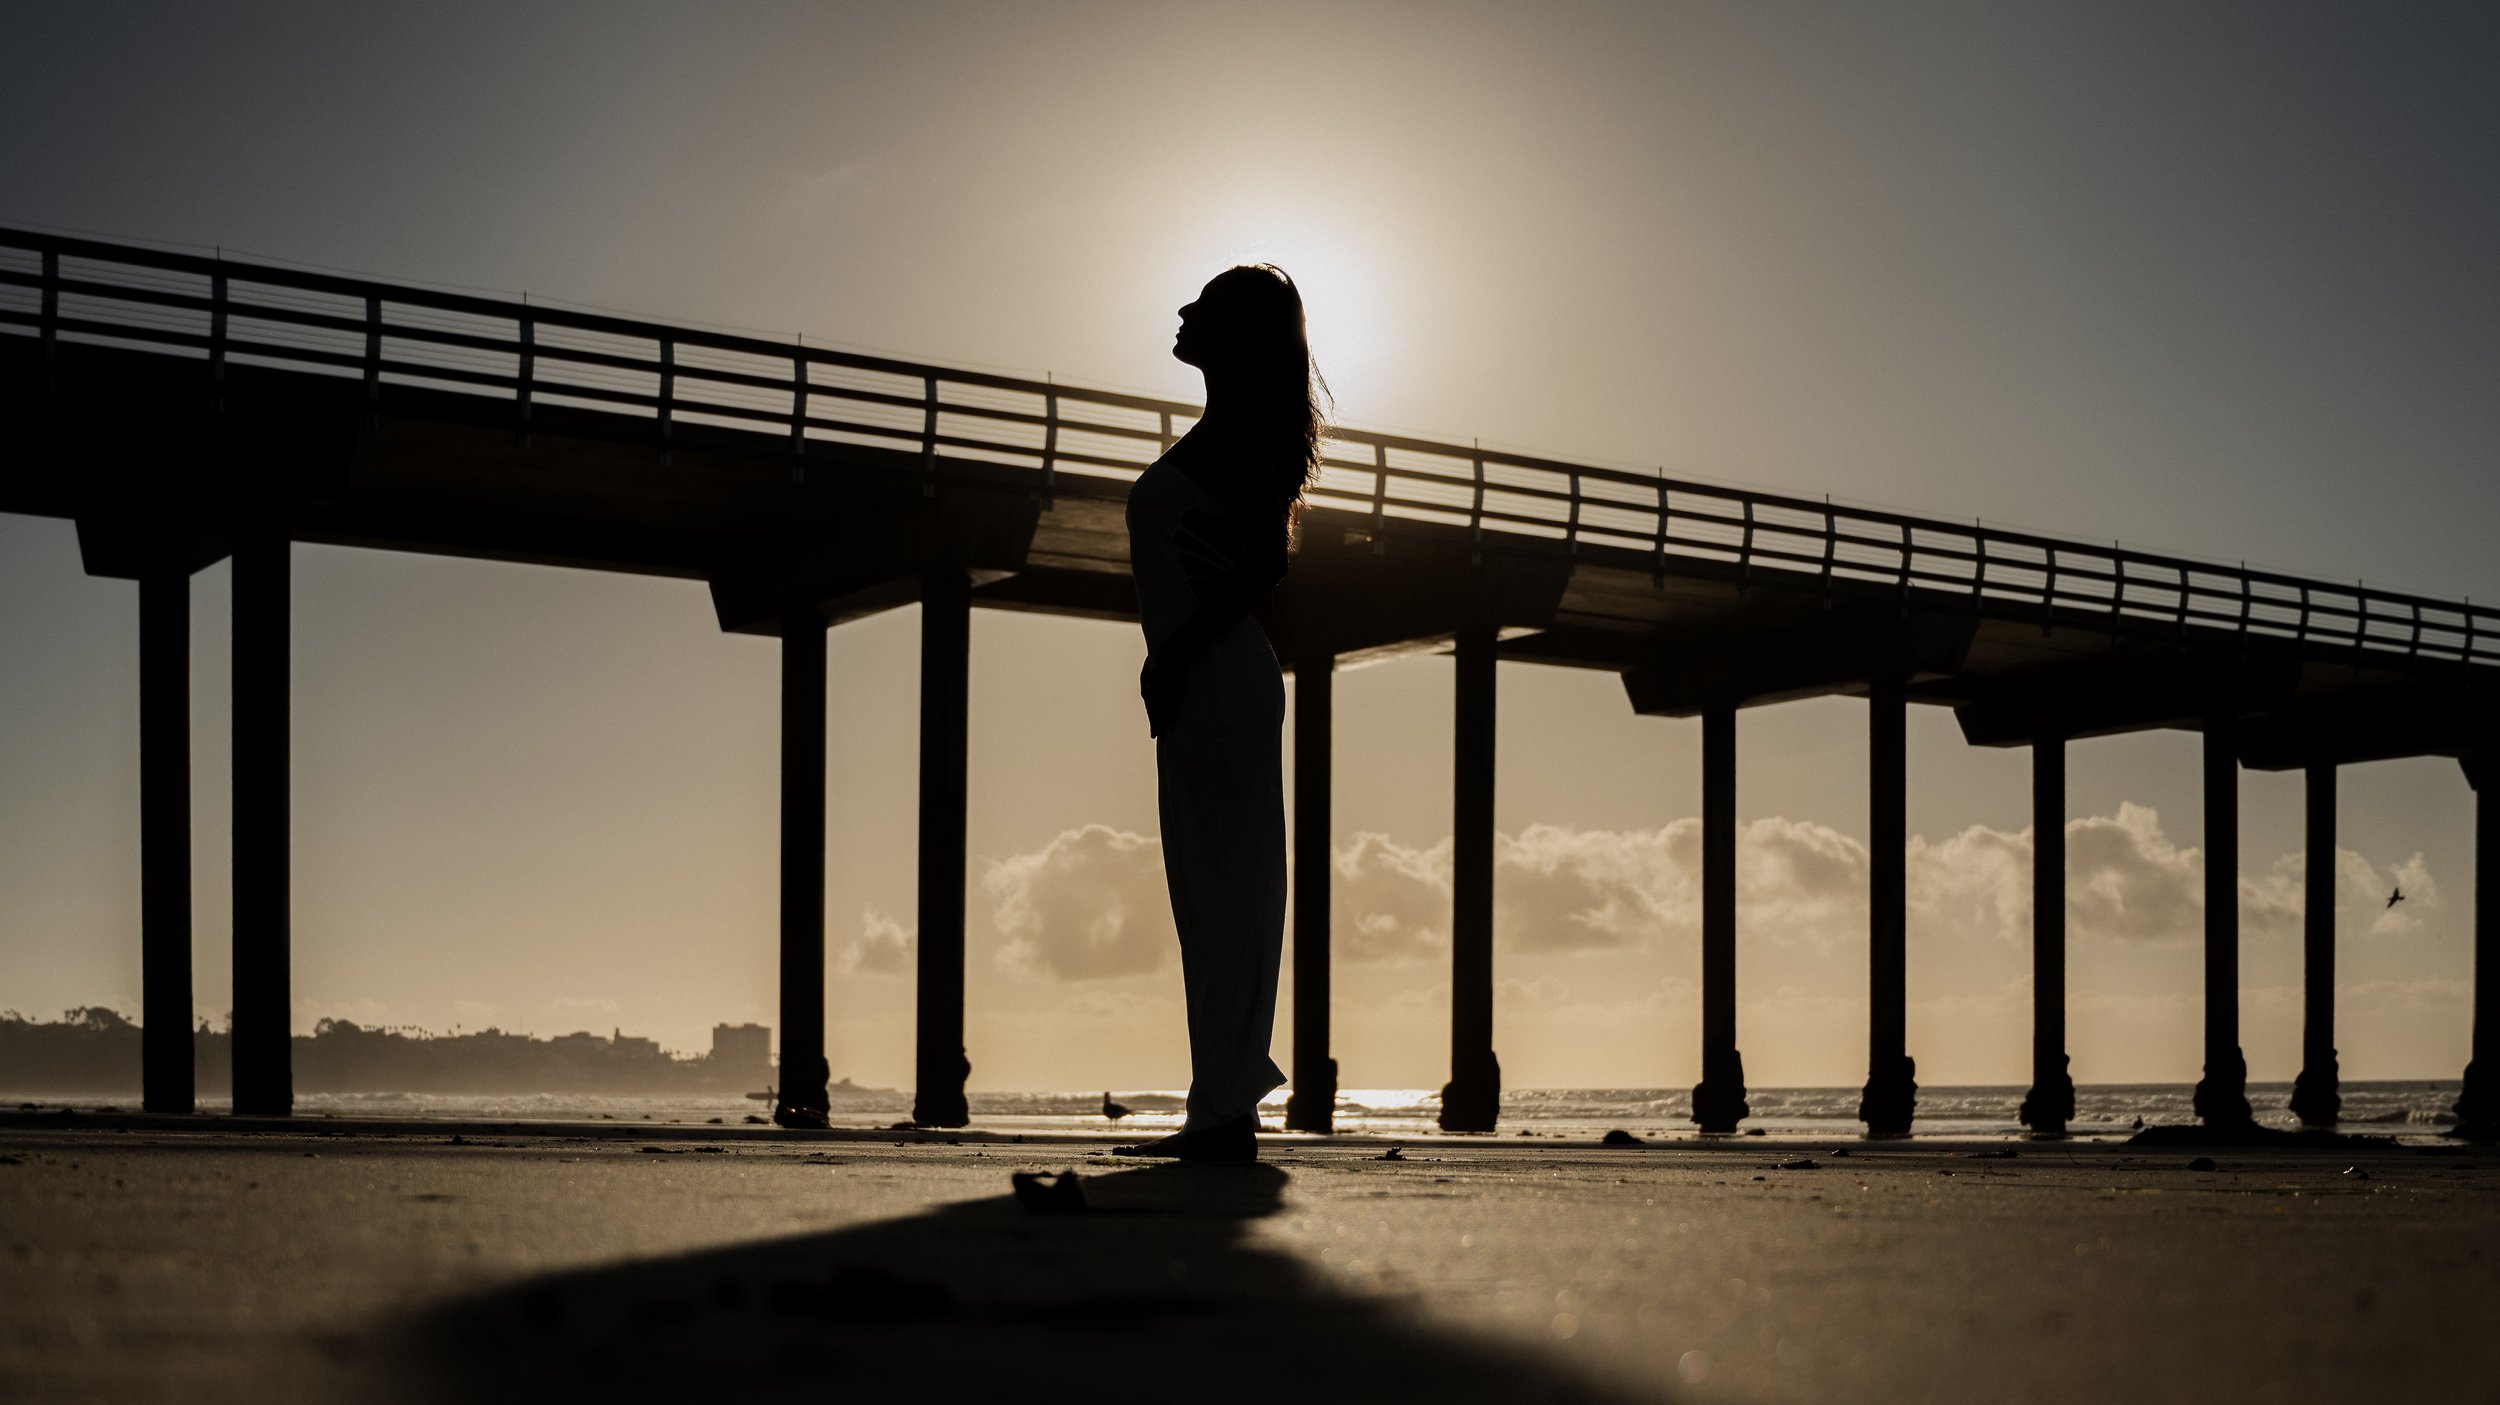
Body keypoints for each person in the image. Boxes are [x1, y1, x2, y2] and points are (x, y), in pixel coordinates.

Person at [1113, 264, 1327, 1163]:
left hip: (1217, 675)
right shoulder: (1219, 429)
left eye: (1201, 304)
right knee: (1205, 889)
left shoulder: (1244, 433)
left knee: (1227, 886)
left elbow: (1264, 566)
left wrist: (1174, 650)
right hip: (1203, 675)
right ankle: (1220, 1103)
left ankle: (1225, 1111)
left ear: (1233, 331)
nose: (1181, 311)